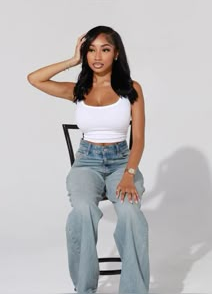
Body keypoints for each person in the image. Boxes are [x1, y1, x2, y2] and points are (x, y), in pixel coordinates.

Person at [27, 25, 150, 294]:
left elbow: (138, 140)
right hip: (87, 164)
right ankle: (85, 289)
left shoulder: (131, 89)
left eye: (105, 49)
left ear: (116, 53)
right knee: (82, 213)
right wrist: (72, 60)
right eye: (91, 50)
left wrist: (129, 174)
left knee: (131, 215)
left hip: (122, 163)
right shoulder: (78, 90)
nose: (97, 56)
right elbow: (34, 78)